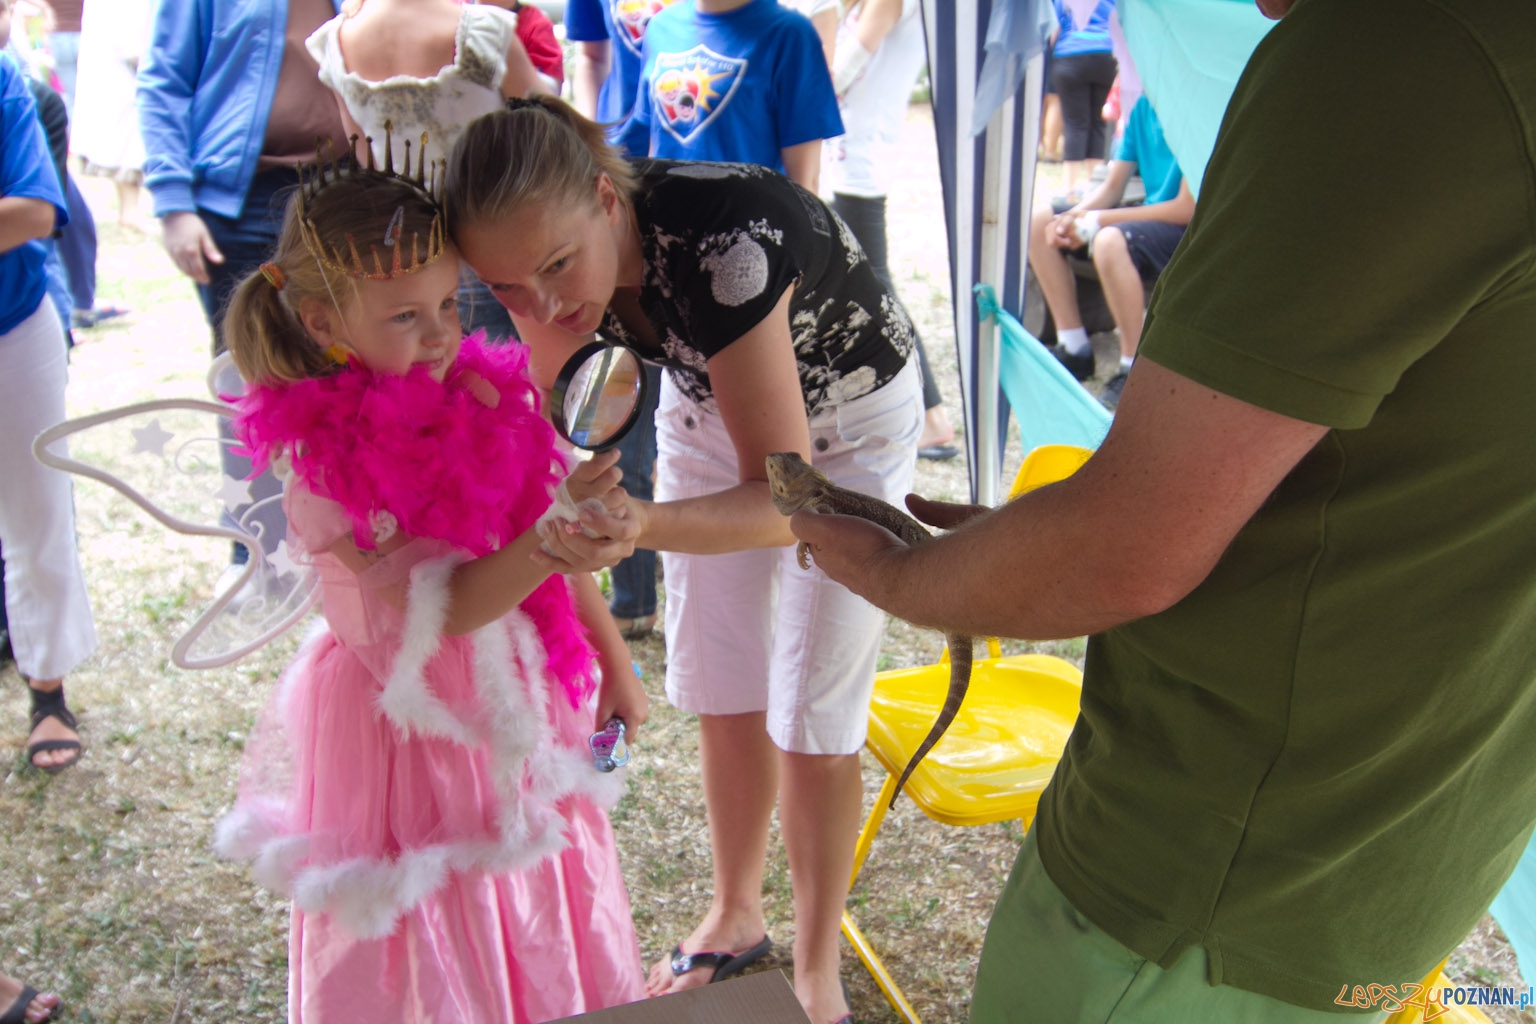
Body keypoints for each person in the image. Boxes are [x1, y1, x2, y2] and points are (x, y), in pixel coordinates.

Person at [790, 0, 1536, 1021]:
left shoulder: (1400, 48)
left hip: (1201, 893)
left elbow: (1126, 547)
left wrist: (895, 572)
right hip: (1402, 860)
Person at [445, 96, 924, 1024]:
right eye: (505, 288)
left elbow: (788, 503)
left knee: (814, 711)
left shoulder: (728, 239)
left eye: (555, 266)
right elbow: (572, 429)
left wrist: (644, 524)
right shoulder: (540, 269)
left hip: (850, 424)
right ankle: (734, 915)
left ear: (603, 195)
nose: (541, 306)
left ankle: (817, 962)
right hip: (709, 401)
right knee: (722, 679)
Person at [213, 144, 650, 1023]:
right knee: (441, 898)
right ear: (317, 319)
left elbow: (540, 542)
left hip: (522, 692)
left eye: (449, 304)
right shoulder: (328, 464)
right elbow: (444, 610)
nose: (443, 333)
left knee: (540, 864)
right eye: (405, 316)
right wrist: (552, 534)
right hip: (411, 726)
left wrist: (613, 661)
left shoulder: (481, 397)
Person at [138, 0, 346, 596]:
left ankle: (338, 548)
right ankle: (254, 552)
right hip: (242, 199)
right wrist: (174, 202)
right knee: (247, 381)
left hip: (340, 194)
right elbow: (163, 83)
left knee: (340, 374)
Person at [304, 0, 552, 342]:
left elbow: (368, 158)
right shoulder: (482, 31)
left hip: (422, 253)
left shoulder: (337, 43)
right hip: (517, 239)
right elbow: (551, 137)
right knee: (550, 373)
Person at [0, 17, 95, 774]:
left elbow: (35, 209)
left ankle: (47, 691)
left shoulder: (8, 84)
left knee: (37, 509)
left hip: (13, 321)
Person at [824, 0, 958, 459]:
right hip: (845, 155)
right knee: (866, 283)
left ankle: (933, 414)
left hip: (859, 159)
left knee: (874, 285)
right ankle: (927, 413)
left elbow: (836, 76)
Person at [1031, 93, 1193, 408]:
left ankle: (1133, 369)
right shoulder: (1146, 107)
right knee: (1041, 221)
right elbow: (1112, 187)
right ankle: (1074, 347)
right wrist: (1073, 217)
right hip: (1147, 218)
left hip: (1187, 233)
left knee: (1108, 241)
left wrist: (1096, 221)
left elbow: (1186, 208)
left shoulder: (1201, 113)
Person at [618, 0, 842, 192]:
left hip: (748, 231)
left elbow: (805, 183)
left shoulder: (790, 35)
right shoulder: (660, 27)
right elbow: (654, 145)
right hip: (667, 224)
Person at [1048, 0, 1116, 199]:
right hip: (1107, 54)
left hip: (1070, 54)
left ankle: (1068, 187)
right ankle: (1093, 186)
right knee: (1098, 123)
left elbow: (1053, 25)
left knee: (1075, 123)